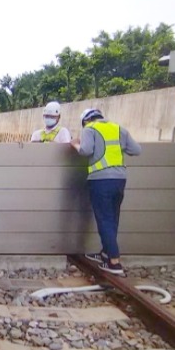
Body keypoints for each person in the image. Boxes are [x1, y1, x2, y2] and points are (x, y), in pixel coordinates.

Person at [71, 108, 142, 276]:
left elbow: (85, 151)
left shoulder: (90, 129)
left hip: (100, 180)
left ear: (85, 120)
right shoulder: (119, 129)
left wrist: (75, 144)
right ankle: (105, 252)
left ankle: (114, 262)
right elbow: (137, 150)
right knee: (112, 217)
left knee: (104, 219)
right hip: (120, 179)